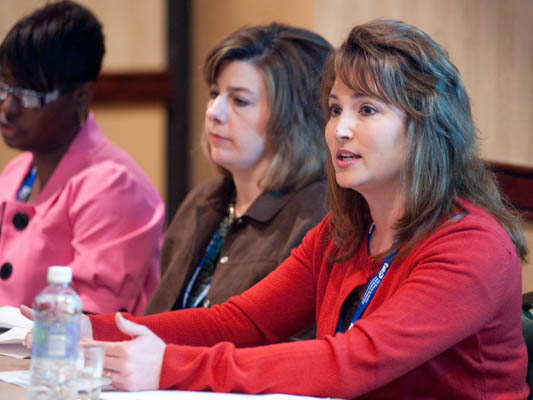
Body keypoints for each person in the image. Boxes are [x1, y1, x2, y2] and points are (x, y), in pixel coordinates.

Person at [23, 18, 529, 398]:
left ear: (425, 126)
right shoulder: (346, 230)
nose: (341, 129)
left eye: (367, 109)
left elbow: (350, 362)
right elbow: (238, 322)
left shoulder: (471, 246)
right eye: (335, 109)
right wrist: (84, 326)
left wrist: (170, 366)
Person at [144, 23, 332, 315]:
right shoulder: (203, 199)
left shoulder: (316, 216)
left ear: (294, 119)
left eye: (239, 101)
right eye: (214, 93)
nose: (213, 113)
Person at [0, 1, 165, 315]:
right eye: (4, 88)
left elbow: (89, 319)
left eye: (28, 95)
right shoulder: (15, 172)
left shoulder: (114, 185)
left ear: (81, 96)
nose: (8, 107)